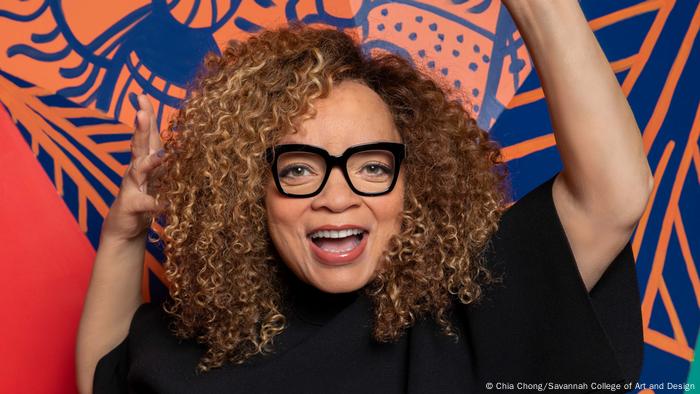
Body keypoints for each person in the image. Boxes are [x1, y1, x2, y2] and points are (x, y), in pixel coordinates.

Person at [75, 2, 653, 393]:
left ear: (412, 183)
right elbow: (106, 373)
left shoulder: (466, 307)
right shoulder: (199, 347)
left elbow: (613, 196)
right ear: (250, 192)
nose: (337, 196)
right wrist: (124, 237)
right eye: (299, 169)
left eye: (372, 165)